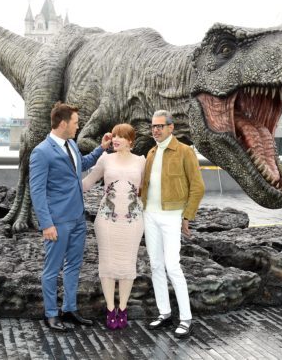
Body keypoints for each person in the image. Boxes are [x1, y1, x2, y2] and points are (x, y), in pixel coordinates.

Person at [29, 101, 112, 332]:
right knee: (52, 269)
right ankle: (51, 314)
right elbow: (37, 191)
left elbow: (81, 165)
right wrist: (46, 224)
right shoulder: (41, 152)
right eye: (75, 122)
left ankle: (69, 308)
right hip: (57, 221)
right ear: (63, 123)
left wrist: (101, 149)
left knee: (74, 265)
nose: (78, 126)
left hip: (77, 218)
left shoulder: (72, 145)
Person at [141, 110, 205, 339]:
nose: (155, 130)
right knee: (156, 265)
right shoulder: (150, 152)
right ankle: (164, 312)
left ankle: (186, 317)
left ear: (171, 128)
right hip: (150, 215)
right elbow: (145, 186)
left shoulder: (184, 151)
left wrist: (187, 216)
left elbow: (198, 187)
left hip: (172, 216)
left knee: (172, 266)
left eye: (160, 126)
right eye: (153, 126)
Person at [82, 123, 146, 330]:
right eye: (114, 136)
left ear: (131, 141)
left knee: (128, 265)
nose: (115, 139)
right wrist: (58, 183)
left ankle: (123, 308)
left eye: (121, 136)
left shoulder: (141, 161)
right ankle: (110, 309)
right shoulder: (105, 159)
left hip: (132, 221)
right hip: (106, 220)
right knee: (107, 265)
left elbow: (147, 189)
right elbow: (86, 183)